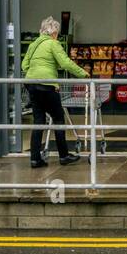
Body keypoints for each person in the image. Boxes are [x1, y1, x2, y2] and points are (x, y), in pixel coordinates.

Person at [21, 16, 89, 167]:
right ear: (53, 33)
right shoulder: (53, 43)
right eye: (56, 33)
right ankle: (64, 156)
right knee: (58, 119)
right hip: (46, 85)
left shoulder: (33, 45)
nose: (57, 35)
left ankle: (35, 158)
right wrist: (83, 73)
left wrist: (35, 73)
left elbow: (24, 65)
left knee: (39, 121)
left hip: (31, 84)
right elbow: (65, 63)